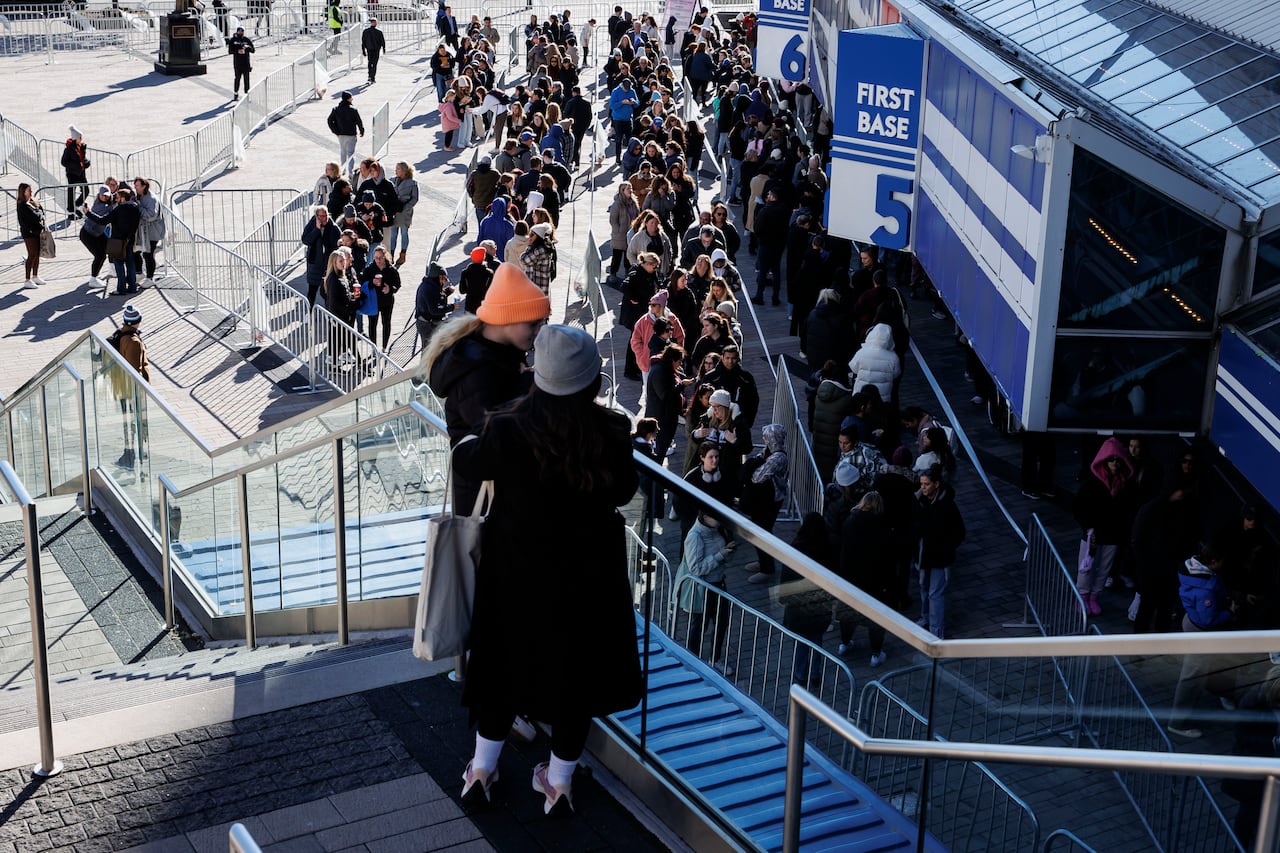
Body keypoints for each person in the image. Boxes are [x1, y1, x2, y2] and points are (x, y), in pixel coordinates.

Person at [454, 324, 640, 816]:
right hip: (587, 577)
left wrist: (466, 437)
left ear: (540, 375)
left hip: (514, 572)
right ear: (590, 381)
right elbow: (623, 491)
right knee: (576, 679)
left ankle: (481, 769)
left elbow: (470, 461)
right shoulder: (612, 432)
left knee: (501, 668)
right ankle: (557, 782)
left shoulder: (511, 425)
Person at [425, 263, 551, 509]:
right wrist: (529, 384)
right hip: (484, 503)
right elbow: (494, 435)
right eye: (533, 324)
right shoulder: (476, 368)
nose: (538, 331)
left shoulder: (498, 352)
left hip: (493, 496)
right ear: (508, 320)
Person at [1167, 546, 1238, 739]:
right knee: (1191, 678)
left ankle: (1223, 692)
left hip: (1193, 623)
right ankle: (1178, 723)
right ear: (1214, 562)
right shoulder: (1205, 588)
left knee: (1211, 667)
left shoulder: (1193, 568)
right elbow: (1208, 619)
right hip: (1202, 632)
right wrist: (1229, 612)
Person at [1072, 437, 1136, 616]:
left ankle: (1093, 597)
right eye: (1111, 459)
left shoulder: (1125, 484)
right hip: (1093, 535)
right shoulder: (1092, 483)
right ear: (1104, 460)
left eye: (1117, 459)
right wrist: (1087, 527)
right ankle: (1083, 597)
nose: (1115, 463)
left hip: (1113, 535)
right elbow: (1077, 507)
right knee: (1087, 566)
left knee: (1105, 568)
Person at [675, 509, 738, 676]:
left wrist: (728, 551)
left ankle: (714, 659)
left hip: (719, 584)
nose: (719, 520)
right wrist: (720, 555)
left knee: (721, 623)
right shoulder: (694, 536)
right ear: (705, 517)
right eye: (715, 516)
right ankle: (692, 660)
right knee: (699, 626)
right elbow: (696, 568)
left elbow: (724, 559)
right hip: (703, 588)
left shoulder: (718, 530)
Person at [838, 491, 894, 666]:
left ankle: (844, 643)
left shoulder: (849, 522)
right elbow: (886, 558)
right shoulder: (880, 527)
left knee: (848, 613)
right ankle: (876, 654)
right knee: (875, 618)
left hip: (851, 577)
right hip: (873, 580)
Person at [916, 465, 965, 639]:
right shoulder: (920, 501)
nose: (923, 487)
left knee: (935, 593)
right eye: (921, 484)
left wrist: (947, 548)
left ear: (936, 484)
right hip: (923, 554)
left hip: (939, 557)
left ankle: (936, 631)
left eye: (926, 484)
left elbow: (959, 532)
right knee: (923, 587)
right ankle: (926, 617)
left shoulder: (947, 506)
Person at [742, 424, 789, 583]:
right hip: (763, 499)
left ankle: (767, 568)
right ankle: (763, 562)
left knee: (762, 532)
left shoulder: (778, 457)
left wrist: (752, 465)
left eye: (767, 437)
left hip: (771, 501)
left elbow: (757, 476)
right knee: (760, 530)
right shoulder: (769, 451)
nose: (763, 440)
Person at [110, 304, 151, 470]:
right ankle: (132, 455)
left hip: (122, 386)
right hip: (131, 389)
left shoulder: (121, 334)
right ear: (138, 321)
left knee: (129, 421)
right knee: (134, 421)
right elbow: (135, 369)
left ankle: (131, 453)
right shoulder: (133, 341)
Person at [85, 186, 141, 296]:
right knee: (130, 264)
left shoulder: (119, 210)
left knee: (119, 264)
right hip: (129, 240)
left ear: (124, 198)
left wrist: (88, 213)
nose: (116, 199)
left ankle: (121, 289)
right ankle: (132, 287)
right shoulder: (135, 208)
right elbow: (135, 225)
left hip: (117, 241)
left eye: (118, 197)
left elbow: (103, 221)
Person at [360, 246, 401, 349]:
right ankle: (373, 347)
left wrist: (390, 289)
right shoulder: (369, 269)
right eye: (376, 257)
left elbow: (397, 284)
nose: (378, 260)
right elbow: (362, 282)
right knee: (372, 324)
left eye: (380, 257)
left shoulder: (391, 269)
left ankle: (384, 347)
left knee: (386, 323)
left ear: (385, 257)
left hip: (387, 301)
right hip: (373, 301)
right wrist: (371, 282)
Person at [301, 206, 341, 306]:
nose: (325, 218)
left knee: (328, 293)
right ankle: (309, 312)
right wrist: (316, 230)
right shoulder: (311, 225)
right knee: (312, 292)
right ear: (317, 217)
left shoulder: (333, 227)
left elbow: (338, 244)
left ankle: (328, 314)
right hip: (314, 263)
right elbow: (306, 240)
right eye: (322, 216)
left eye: (326, 215)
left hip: (328, 265)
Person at [414, 262, 454, 352]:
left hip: (427, 322)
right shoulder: (429, 289)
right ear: (439, 277)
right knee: (429, 352)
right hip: (427, 325)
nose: (445, 282)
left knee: (431, 350)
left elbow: (437, 297)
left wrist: (448, 291)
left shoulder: (431, 285)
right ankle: (426, 366)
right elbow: (434, 309)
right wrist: (452, 307)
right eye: (444, 279)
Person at [80, 184, 114, 289]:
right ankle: (93, 279)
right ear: (99, 195)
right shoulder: (104, 207)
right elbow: (102, 219)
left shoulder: (101, 203)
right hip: (88, 234)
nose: (105, 197)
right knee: (100, 256)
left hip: (97, 233)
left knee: (109, 247)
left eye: (107, 195)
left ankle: (112, 269)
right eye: (103, 195)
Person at [385, 162, 418, 269]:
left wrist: (406, 207)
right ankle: (391, 254)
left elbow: (415, 198)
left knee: (404, 233)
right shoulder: (392, 180)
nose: (396, 170)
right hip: (394, 210)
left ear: (404, 171)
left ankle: (403, 254)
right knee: (393, 234)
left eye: (398, 169)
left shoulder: (412, 183)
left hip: (405, 212)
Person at [132, 177, 163, 289]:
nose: (135, 188)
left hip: (152, 232)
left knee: (148, 254)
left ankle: (150, 278)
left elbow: (150, 215)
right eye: (135, 186)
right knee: (136, 251)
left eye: (137, 186)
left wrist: (138, 206)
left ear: (144, 186)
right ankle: (139, 272)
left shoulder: (152, 199)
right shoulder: (138, 196)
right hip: (142, 231)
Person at [326, 92, 365, 178]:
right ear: (348, 99)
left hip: (341, 135)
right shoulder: (353, 109)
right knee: (351, 153)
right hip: (351, 135)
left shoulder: (336, 109)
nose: (352, 99)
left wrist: (335, 131)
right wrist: (361, 130)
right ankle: (350, 172)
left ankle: (342, 170)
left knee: (343, 152)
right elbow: (359, 121)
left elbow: (329, 120)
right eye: (351, 97)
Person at [16, 183, 46, 290]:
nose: (31, 192)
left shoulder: (32, 201)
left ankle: (35, 276)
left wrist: (40, 214)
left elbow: (41, 212)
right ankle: (27, 279)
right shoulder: (22, 205)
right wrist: (39, 214)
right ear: (23, 192)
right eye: (29, 190)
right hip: (29, 233)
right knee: (32, 255)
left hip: (38, 232)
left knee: (37, 254)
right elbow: (36, 216)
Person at [61, 126, 90, 218]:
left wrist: (86, 163)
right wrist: (77, 165)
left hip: (81, 173)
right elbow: (64, 162)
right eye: (80, 137)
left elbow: (82, 158)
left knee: (86, 190)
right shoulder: (69, 149)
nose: (81, 139)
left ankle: (76, 205)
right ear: (76, 138)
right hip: (72, 174)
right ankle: (70, 209)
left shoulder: (81, 147)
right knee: (71, 191)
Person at [521, 222, 557, 294]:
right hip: (536, 286)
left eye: (532, 235)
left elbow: (524, 260)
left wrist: (529, 248)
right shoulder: (538, 248)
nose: (529, 237)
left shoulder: (540, 250)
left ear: (538, 237)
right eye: (529, 234)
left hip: (538, 288)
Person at [227, 26, 254, 101]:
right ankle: (236, 93)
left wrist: (247, 48)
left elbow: (253, 50)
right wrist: (237, 51)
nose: (240, 32)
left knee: (246, 79)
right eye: (239, 30)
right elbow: (230, 51)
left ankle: (247, 94)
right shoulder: (233, 40)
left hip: (246, 62)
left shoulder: (246, 40)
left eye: (242, 31)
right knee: (237, 78)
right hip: (237, 63)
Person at [361, 17, 385, 82]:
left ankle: (370, 76)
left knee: (370, 62)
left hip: (369, 49)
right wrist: (384, 49)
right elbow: (382, 41)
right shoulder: (379, 32)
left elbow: (363, 42)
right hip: (376, 49)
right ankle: (372, 77)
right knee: (374, 63)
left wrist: (363, 50)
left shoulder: (365, 31)